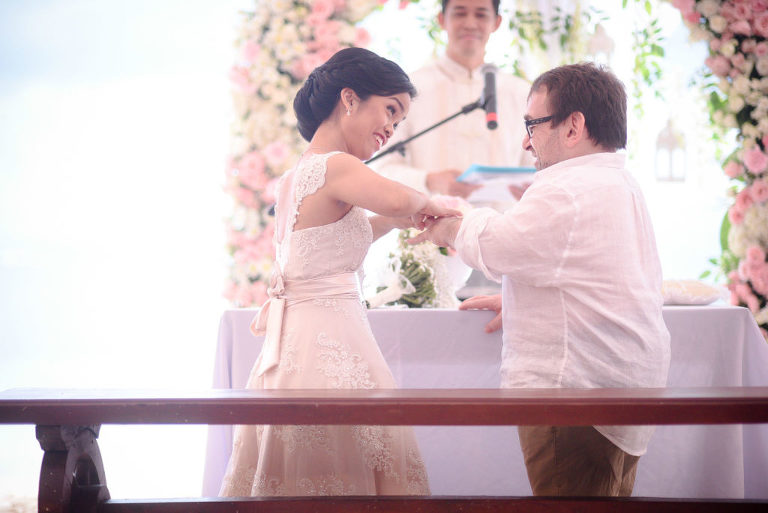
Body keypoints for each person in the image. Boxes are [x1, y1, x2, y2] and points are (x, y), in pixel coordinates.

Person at [410, 62, 671, 496]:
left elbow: (500, 244)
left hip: (575, 393)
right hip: (616, 388)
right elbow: (593, 276)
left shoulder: (567, 186)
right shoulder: (617, 180)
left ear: (573, 127)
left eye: (532, 124)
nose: (526, 142)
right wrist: (517, 299)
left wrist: (451, 225)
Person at [219, 47, 460, 497]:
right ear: (349, 99)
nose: (391, 128)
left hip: (303, 338)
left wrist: (400, 222)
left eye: (400, 119)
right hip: (325, 346)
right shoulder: (336, 165)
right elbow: (394, 197)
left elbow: (331, 246)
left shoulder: (301, 173)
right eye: (390, 110)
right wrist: (431, 204)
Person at [372, 0, 532, 199]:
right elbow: (382, 168)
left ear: (497, 22)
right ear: (442, 19)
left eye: (481, 14)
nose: (470, 24)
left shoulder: (522, 93)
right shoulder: (408, 89)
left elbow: (536, 167)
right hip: (427, 223)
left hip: (503, 225)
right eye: (460, 13)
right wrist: (428, 181)